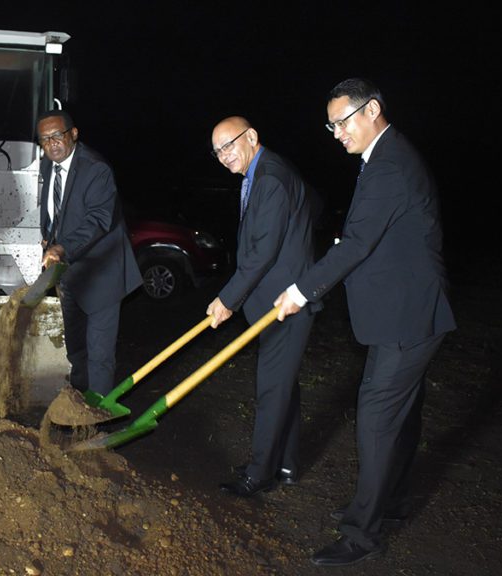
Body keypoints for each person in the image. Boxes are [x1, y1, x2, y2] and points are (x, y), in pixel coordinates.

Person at [274, 78, 456, 567]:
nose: (336, 133)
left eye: (342, 121)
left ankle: (362, 534)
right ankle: (389, 502)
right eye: (330, 125)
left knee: (377, 417)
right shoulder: (385, 157)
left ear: (371, 109)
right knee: (401, 414)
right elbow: (371, 237)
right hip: (408, 311)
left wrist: (299, 291)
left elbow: (358, 243)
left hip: (408, 316)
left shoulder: (390, 164)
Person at [205, 117, 320, 497]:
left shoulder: (271, 177)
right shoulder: (263, 173)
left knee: (272, 388)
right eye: (217, 151)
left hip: (285, 302)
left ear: (252, 136)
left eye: (229, 145)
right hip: (274, 300)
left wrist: (227, 299)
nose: (223, 156)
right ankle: (284, 463)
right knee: (284, 384)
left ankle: (259, 473)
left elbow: (262, 253)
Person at [38, 110, 141, 395]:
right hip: (70, 274)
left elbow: (97, 220)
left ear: (73, 134)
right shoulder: (48, 165)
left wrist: (61, 247)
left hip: (102, 274)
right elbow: (52, 212)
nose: (51, 144)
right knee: (76, 348)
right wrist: (48, 239)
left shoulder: (95, 168)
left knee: (99, 354)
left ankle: (97, 421)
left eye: (57, 136)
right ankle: (77, 404)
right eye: (45, 140)